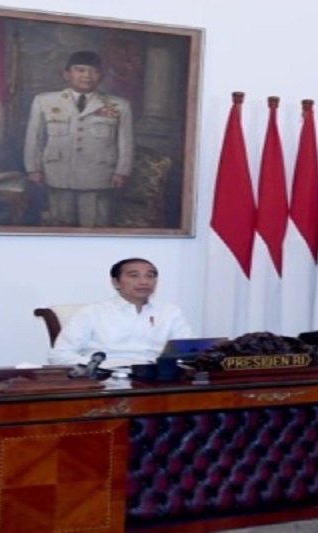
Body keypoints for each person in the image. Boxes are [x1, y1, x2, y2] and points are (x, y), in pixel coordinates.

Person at [24, 50, 135, 227]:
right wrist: (33, 168)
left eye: (94, 71)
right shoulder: (44, 101)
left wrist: (122, 171)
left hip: (98, 175)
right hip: (58, 173)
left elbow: (126, 142)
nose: (87, 76)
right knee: (59, 224)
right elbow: (34, 138)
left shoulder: (119, 105)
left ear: (101, 76)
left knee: (95, 225)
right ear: (67, 74)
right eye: (80, 70)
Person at [49, 258, 192, 368]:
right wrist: (105, 365)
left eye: (150, 276)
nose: (144, 281)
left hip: (157, 377)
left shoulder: (169, 311)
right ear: (116, 282)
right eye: (134, 276)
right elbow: (60, 356)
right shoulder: (92, 312)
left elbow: (188, 351)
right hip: (106, 377)